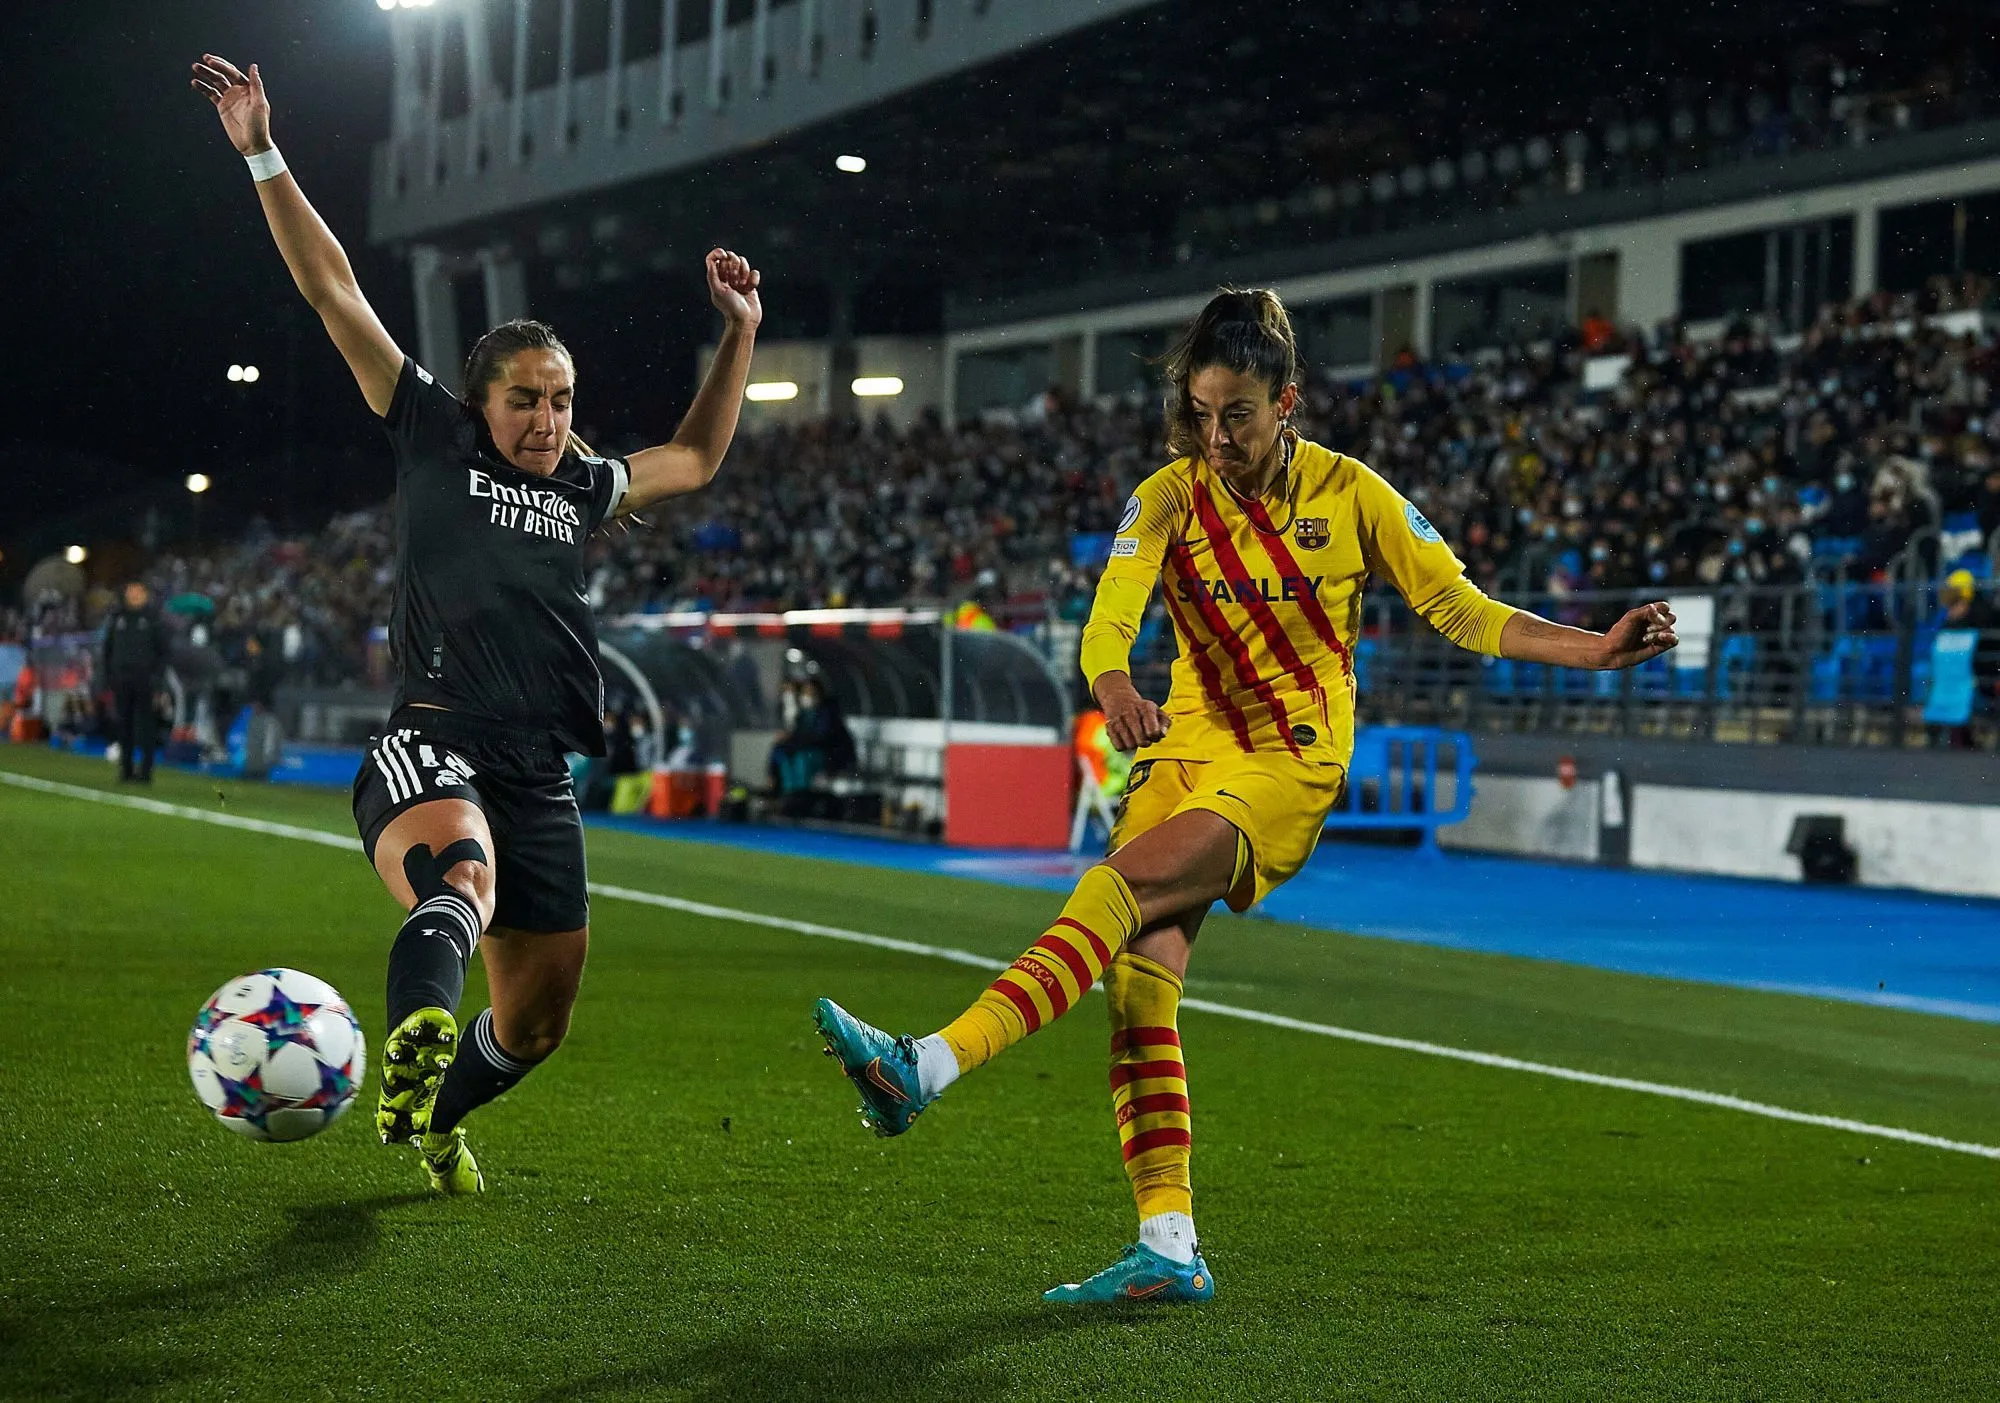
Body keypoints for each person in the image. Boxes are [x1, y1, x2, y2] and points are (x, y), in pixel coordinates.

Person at [813, 287, 1677, 1303]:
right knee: (1135, 988)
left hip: (1286, 761)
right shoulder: (1166, 497)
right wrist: (1112, 682)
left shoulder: (1352, 494)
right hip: (1181, 751)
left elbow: (1461, 608)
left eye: (1237, 414)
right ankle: (1168, 1240)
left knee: (1117, 884)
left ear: (1287, 403)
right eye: (1200, 413)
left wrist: (1594, 647)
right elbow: (1109, 618)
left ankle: (927, 1066)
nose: (1214, 436)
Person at [192, 53, 762, 1192]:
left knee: (539, 1022)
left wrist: (739, 328)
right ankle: (413, 1031)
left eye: (560, 398)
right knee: (463, 876)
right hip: (434, 733)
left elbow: (694, 456)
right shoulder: (428, 433)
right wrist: (261, 149)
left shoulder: (583, 485)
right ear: (480, 398)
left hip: (537, 761)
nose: (548, 417)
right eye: (525, 398)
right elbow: (333, 290)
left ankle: (428, 1114)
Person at [101, 581, 167, 783]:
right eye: (132, 591)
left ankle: (146, 771)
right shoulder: (118, 618)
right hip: (122, 680)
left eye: (139, 592)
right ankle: (126, 769)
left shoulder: (152, 619)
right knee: (124, 725)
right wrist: (108, 677)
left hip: (145, 680)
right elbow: (108, 650)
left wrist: (158, 681)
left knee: (146, 727)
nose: (135, 595)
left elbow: (163, 652)